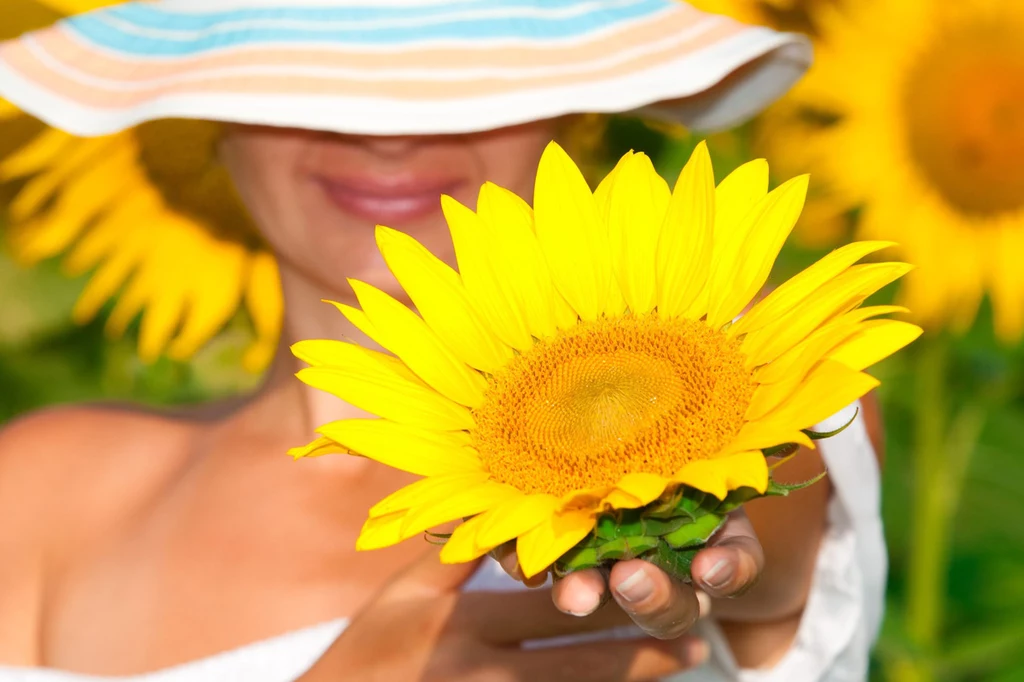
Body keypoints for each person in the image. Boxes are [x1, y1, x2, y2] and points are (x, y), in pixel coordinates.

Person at [0, 1, 884, 679]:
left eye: (468, 74)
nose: (389, 133)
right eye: (308, 71)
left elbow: (762, 522)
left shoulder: (736, 354)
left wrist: (675, 509)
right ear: (205, 120)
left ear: (577, 105)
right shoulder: (39, 490)